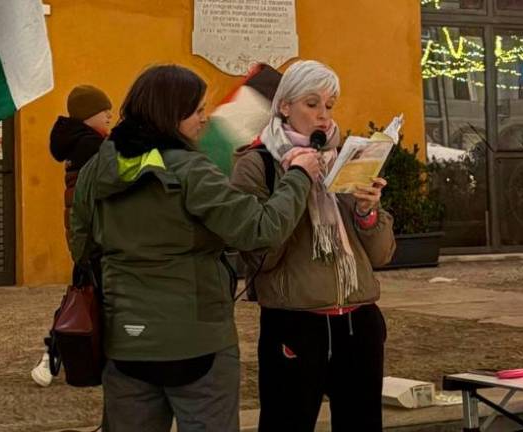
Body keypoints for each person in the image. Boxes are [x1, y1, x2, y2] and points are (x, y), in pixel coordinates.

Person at [67, 64, 321, 432]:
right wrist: (298, 176)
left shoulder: (97, 169)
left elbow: (81, 247)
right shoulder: (191, 171)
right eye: (197, 110)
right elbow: (261, 230)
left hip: (126, 341)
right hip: (197, 343)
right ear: (170, 113)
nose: (204, 119)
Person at [230, 60, 396, 432]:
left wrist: (368, 212)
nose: (323, 116)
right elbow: (260, 254)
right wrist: (298, 181)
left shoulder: (346, 157)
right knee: (287, 422)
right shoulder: (257, 164)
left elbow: (381, 255)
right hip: (296, 321)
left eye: (330, 105)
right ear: (284, 106)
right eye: (311, 104)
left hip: (359, 319)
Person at [31, 84, 113, 387]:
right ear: (89, 114)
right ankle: (55, 351)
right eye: (105, 110)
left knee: (84, 294)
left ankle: (56, 352)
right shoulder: (92, 147)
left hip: (84, 235)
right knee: (90, 298)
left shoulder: (80, 143)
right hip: (93, 236)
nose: (110, 115)